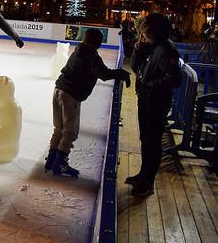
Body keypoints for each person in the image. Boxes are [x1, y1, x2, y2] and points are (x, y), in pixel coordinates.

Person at [44, 28, 131, 177]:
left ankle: (51, 160)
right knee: (70, 131)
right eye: (99, 43)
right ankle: (60, 163)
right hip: (70, 94)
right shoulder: (91, 56)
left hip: (59, 89)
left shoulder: (77, 50)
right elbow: (103, 74)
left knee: (59, 128)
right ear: (96, 43)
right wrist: (120, 73)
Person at [127, 13, 181, 196]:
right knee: (146, 138)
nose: (142, 35)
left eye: (145, 31)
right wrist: (138, 48)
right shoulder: (153, 47)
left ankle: (147, 182)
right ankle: (143, 174)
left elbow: (174, 78)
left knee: (152, 141)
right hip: (146, 99)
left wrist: (150, 87)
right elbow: (137, 68)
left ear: (154, 31)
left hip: (156, 102)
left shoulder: (167, 49)